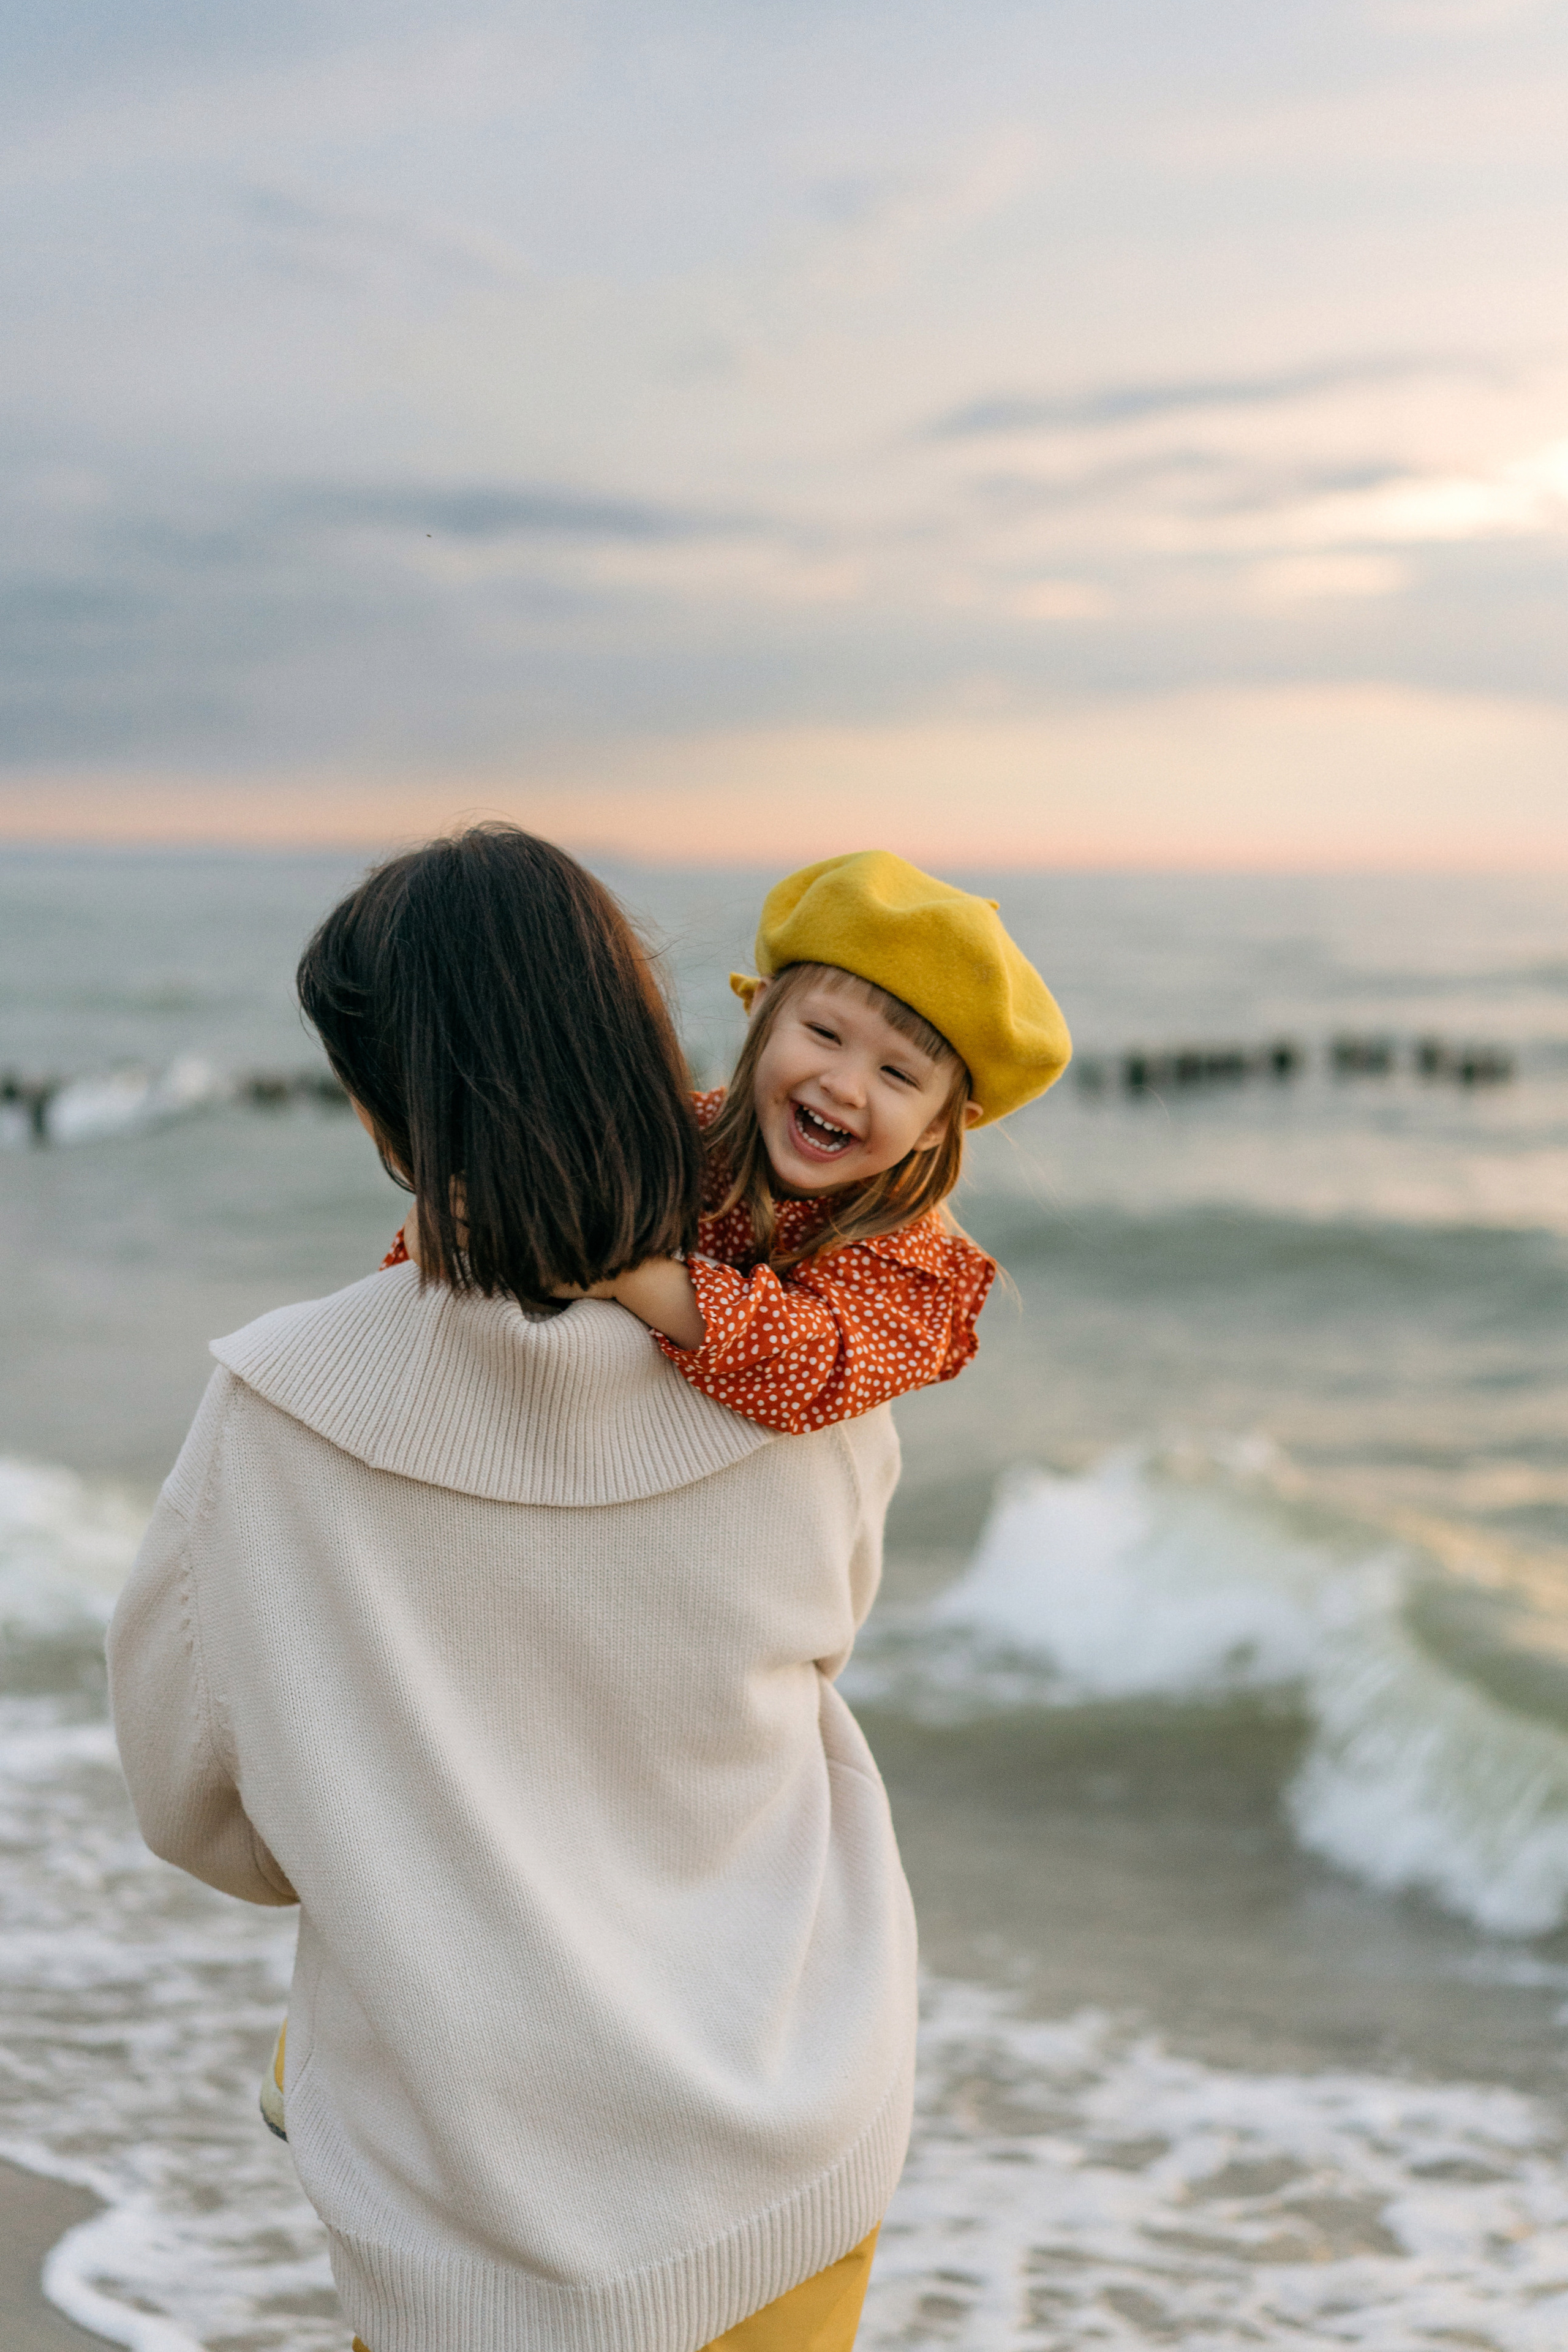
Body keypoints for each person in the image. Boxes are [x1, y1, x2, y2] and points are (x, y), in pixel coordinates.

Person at [107, 827, 917, 2352]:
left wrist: (401, 1846)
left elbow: (189, 1804)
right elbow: (807, 1650)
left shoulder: (274, 1410)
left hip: (467, 2203)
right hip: (787, 2136)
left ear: (383, 1109)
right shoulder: (811, 1390)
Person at [567, 850, 1072, 1433]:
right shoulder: (667, 1137)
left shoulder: (905, 1259)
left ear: (938, 1125)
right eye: (825, 1034)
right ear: (760, 1011)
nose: (846, 1086)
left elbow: (812, 1365)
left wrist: (622, 1273)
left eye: (898, 1075)